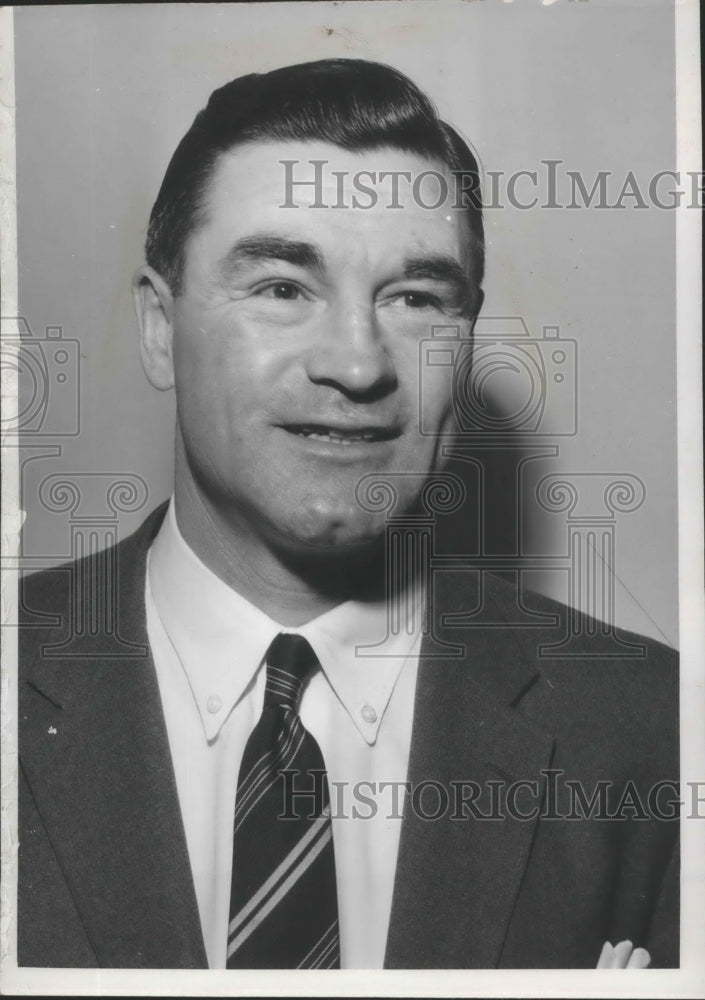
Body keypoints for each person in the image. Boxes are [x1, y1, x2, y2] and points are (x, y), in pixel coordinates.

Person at [18, 58, 678, 970]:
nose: (357, 365)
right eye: (283, 287)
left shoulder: (652, 733)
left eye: (415, 299)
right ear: (160, 330)